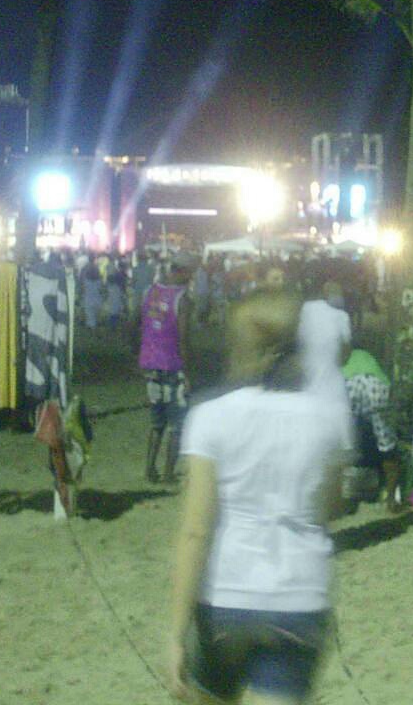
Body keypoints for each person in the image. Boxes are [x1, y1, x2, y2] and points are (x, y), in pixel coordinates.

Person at [167, 290, 350, 705]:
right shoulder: (326, 421)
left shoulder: (209, 419)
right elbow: (330, 509)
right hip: (299, 597)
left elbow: (196, 532)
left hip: (226, 597)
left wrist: (176, 633)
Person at [139, 261, 191, 483]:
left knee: (156, 422)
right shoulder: (182, 298)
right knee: (177, 425)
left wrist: (140, 355)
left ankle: (150, 469)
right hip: (172, 365)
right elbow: (183, 338)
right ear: (179, 272)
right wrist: (188, 372)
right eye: (188, 272)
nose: (190, 277)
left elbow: (135, 323)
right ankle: (168, 473)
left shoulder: (149, 292)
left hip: (150, 364)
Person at [341, 346, 401, 511]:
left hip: (349, 385)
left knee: (343, 443)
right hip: (377, 387)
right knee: (387, 445)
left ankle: (345, 500)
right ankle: (391, 499)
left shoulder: (340, 355)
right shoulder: (366, 355)